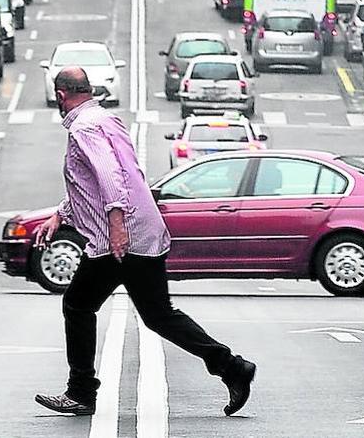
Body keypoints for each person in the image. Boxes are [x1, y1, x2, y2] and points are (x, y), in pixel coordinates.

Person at [33, 67, 256, 418]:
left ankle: (81, 392)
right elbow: (108, 178)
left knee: (77, 305)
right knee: (158, 315)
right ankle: (233, 367)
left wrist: (117, 223)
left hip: (118, 239)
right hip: (142, 231)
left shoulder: (82, 128)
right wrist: (61, 214)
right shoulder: (106, 120)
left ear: (61, 95)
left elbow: (109, 174)